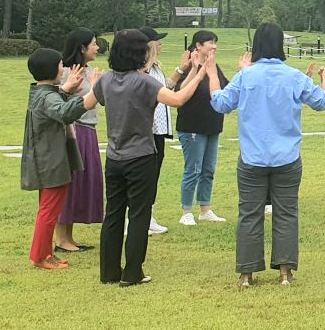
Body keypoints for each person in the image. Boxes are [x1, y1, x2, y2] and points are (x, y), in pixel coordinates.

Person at [209, 23, 325, 287]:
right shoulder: (293, 76)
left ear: (256, 46)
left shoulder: (246, 76)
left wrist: (211, 73)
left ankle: (246, 274)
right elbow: (322, 102)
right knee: (287, 213)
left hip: (252, 157)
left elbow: (221, 103)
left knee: (249, 214)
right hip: (287, 157)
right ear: (281, 45)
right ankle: (285, 272)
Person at [94, 29, 210, 287]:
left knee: (113, 214)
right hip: (141, 156)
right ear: (140, 52)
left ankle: (109, 271)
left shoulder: (106, 80)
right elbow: (177, 99)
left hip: (114, 157)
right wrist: (201, 73)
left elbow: (88, 103)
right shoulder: (143, 81)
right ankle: (132, 272)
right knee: (138, 215)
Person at [21, 48, 99, 270]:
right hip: (51, 160)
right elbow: (63, 112)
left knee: (50, 209)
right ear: (52, 69)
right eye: (60, 65)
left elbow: (56, 102)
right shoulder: (47, 97)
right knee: (49, 210)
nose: (63, 68)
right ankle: (40, 256)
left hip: (48, 158)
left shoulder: (42, 92)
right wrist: (91, 93)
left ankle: (45, 253)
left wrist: (67, 90)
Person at [169, 30, 230, 226]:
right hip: (192, 126)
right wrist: (195, 69)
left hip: (212, 125)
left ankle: (205, 209)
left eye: (215, 43)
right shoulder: (189, 65)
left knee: (208, 169)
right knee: (193, 169)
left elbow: (225, 88)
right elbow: (180, 92)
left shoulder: (214, 66)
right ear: (198, 46)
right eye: (210, 42)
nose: (214, 46)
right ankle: (186, 211)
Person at [53, 29, 104, 254]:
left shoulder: (89, 70)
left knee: (83, 183)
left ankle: (69, 237)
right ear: (82, 48)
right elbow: (57, 101)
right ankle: (60, 239)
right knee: (70, 182)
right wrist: (92, 88)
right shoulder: (64, 72)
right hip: (73, 131)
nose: (97, 47)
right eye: (93, 44)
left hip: (88, 130)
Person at [141, 27, 171, 235]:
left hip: (159, 129)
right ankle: (141, 217)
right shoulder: (143, 71)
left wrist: (185, 70)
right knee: (146, 175)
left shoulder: (156, 68)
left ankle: (148, 215)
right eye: (157, 41)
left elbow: (165, 91)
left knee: (154, 174)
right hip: (147, 130)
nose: (160, 44)